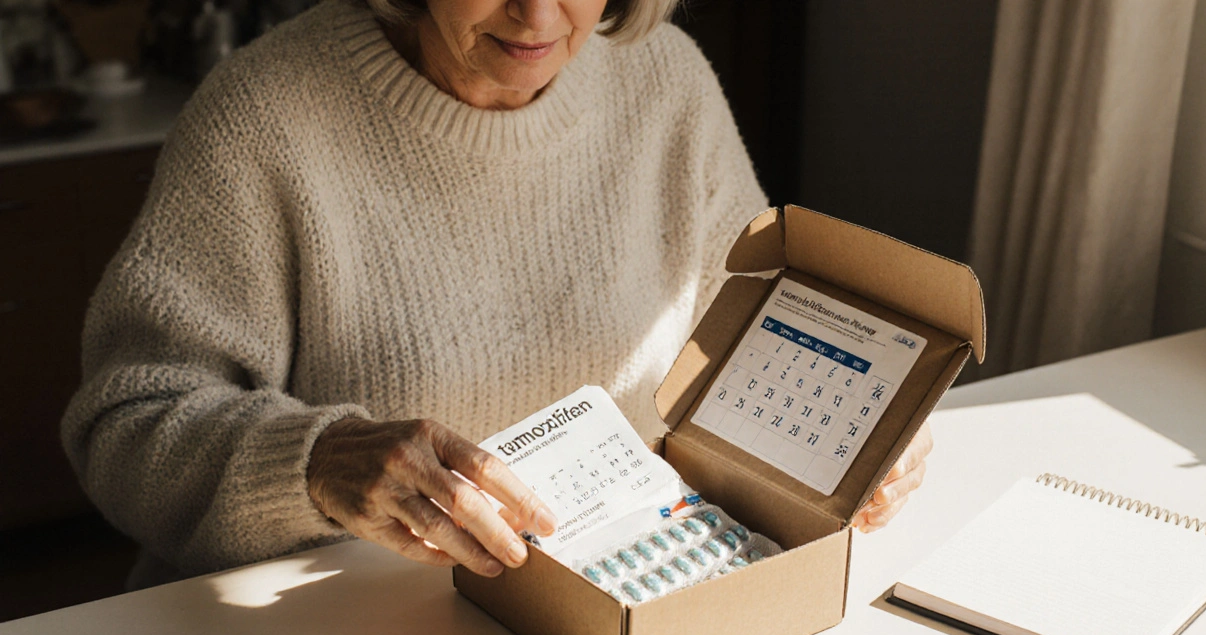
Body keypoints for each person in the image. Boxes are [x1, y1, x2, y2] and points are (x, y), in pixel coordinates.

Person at [62, 0, 932, 587]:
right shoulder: (266, 112)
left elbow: (748, 348)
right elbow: (125, 425)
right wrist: (315, 465)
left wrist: (854, 437)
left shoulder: (667, 84)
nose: (540, 14)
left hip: (604, 603)